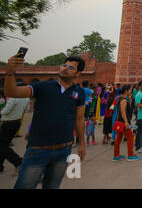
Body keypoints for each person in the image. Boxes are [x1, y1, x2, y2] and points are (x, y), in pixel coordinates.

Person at [5, 54, 86, 189]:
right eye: (64, 65)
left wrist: (82, 144)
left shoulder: (79, 92)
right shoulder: (42, 86)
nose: (65, 68)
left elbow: (79, 118)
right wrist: (10, 72)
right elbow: (12, 92)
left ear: (77, 73)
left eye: (71, 67)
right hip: (38, 150)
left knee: (52, 186)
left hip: (63, 149)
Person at [0, 83, 30, 175]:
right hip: (16, 122)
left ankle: (18, 161)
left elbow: (6, 111)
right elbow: (27, 110)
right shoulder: (26, 98)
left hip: (7, 123)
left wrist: (1, 112)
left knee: (2, 145)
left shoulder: (14, 98)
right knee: (3, 144)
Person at [113, 85, 140, 162]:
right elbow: (123, 112)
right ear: (126, 91)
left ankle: (116, 155)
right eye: (130, 90)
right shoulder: (123, 100)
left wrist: (130, 98)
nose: (131, 91)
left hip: (119, 121)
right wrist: (126, 122)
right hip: (123, 122)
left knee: (118, 138)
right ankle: (130, 155)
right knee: (130, 137)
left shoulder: (121, 99)